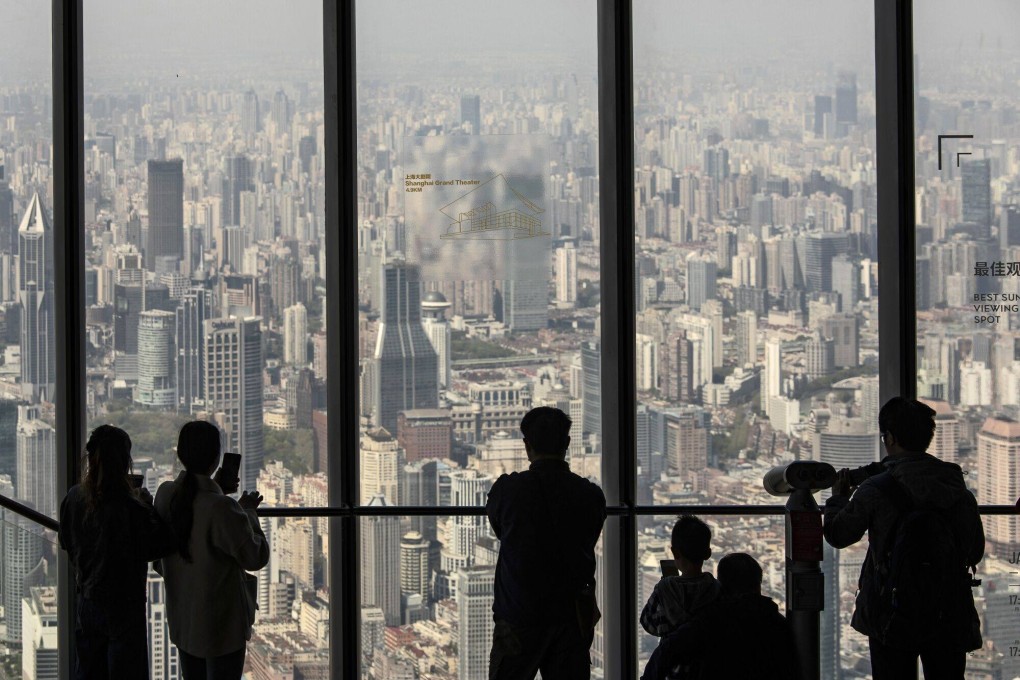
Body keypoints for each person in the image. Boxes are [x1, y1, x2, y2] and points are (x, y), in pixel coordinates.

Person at [823, 397, 985, 680]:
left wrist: (838, 499)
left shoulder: (876, 488)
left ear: (890, 438)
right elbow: (975, 551)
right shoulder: (956, 488)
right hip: (948, 608)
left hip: (891, 609)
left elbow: (838, 535)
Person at [486, 406, 607, 679]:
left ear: (527, 446)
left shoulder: (507, 491)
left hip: (518, 613)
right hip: (570, 615)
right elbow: (590, 534)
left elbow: (499, 529)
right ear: (566, 444)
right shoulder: (590, 496)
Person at [59, 425, 177, 680]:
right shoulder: (131, 508)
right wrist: (148, 507)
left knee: (88, 671)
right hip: (125, 607)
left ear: (90, 459)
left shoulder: (73, 497)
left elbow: (65, 541)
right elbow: (161, 544)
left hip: (88, 601)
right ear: (125, 463)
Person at [154, 421, 269, 680]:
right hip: (221, 629)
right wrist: (248, 512)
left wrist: (217, 488)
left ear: (180, 454)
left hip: (184, 622)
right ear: (216, 458)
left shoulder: (165, 495)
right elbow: (256, 556)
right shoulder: (222, 509)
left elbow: (194, 507)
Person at [641, 553, 799, 680]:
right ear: (758, 585)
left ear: (721, 589)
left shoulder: (709, 622)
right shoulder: (779, 625)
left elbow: (665, 653)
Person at [639, 515, 721, 679]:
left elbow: (648, 623)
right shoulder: (717, 589)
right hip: (707, 667)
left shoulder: (664, 589)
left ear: (674, 552)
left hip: (671, 667)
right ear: (708, 553)